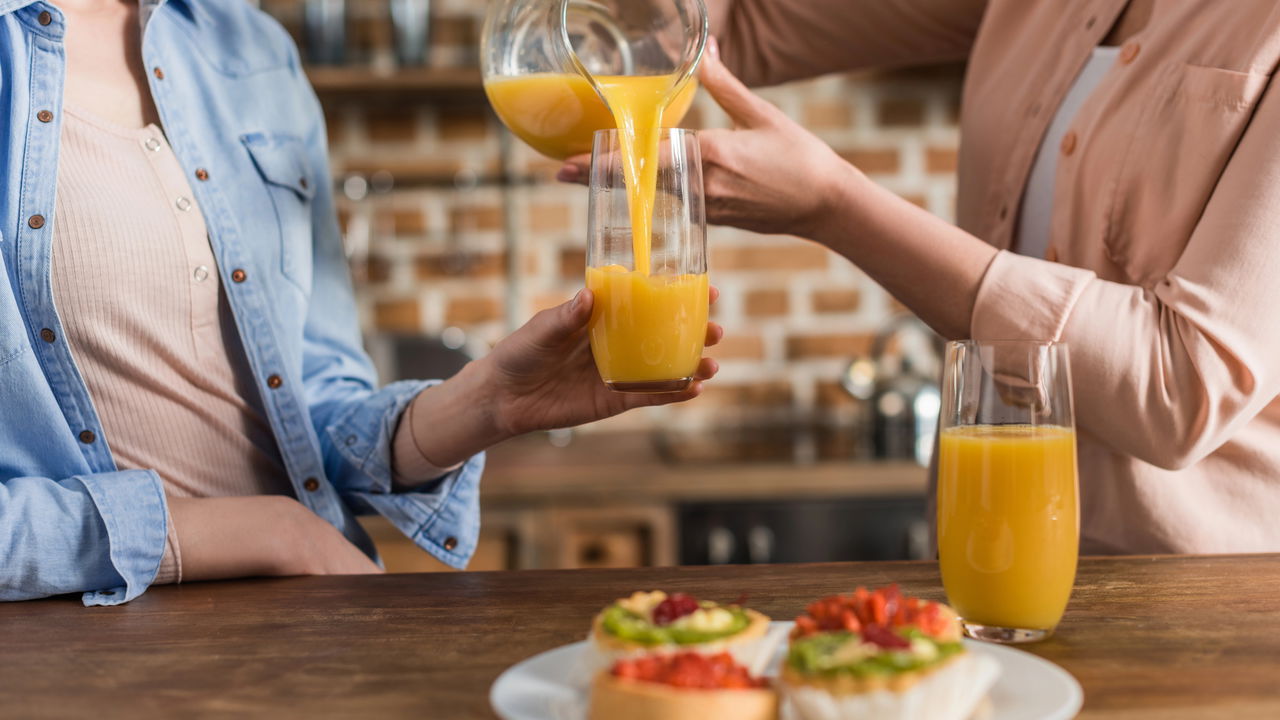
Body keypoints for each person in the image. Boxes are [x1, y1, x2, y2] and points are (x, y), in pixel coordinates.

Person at [0, 0, 722, 605]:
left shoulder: (248, 48)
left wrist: (487, 404)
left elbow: (315, 404)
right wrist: (264, 533)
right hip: (94, 653)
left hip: (313, 630)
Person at [562, 0, 1280, 554]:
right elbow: (727, 27)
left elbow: (1181, 386)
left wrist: (833, 207)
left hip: (1198, 608)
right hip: (979, 555)